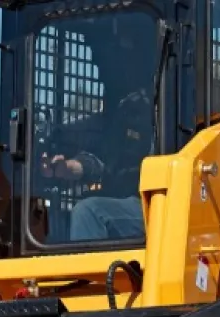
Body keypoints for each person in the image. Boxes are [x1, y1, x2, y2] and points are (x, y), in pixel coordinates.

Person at [40, 17, 157, 242]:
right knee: (55, 216)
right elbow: (108, 160)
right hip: (125, 199)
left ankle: (86, 277)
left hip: (154, 203)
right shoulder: (124, 109)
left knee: (90, 212)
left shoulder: (160, 104)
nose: (100, 66)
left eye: (105, 58)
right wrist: (70, 168)